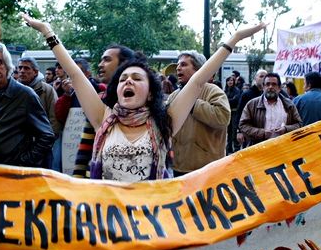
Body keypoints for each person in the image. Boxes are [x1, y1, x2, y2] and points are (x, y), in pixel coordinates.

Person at [22, 13, 264, 181]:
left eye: (137, 79)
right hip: (107, 220)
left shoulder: (164, 122)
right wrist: (47, 31)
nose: (128, 81)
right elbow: (75, 74)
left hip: (151, 222)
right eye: (124, 79)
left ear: (150, 93)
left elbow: (199, 79)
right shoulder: (102, 117)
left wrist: (234, 39)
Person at [0, 39, 55, 167]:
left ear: (7, 66)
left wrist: (25, 161)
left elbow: (46, 136)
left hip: (16, 175)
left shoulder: (25, 95)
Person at [72, 44, 138, 178]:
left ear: (124, 64)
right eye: (101, 60)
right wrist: (77, 181)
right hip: (96, 186)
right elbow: (86, 145)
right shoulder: (100, 100)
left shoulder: (146, 105)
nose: (101, 64)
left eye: (107, 60)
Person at [239, 73, 302, 146]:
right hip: (259, 148)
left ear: (279, 88)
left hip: (283, 147)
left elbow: (299, 125)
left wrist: (285, 129)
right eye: (267, 84)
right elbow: (243, 125)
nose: (270, 87)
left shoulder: (289, 105)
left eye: (274, 84)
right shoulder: (252, 104)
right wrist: (263, 133)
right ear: (263, 87)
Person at [236, 69, 267, 148]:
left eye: (265, 76)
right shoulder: (247, 94)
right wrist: (239, 131)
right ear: (255, 78)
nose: (263, 78)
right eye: (261, 76)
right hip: (249, 132)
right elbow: (240, 113)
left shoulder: (269, 94)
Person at [224, 76, 241, 155]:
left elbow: (235, 100)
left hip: (234, 113)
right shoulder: (225, 91)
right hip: (227, 112)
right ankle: (229, 148)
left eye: (231, 80)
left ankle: (236, 149)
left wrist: (227, 100)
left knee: (234, 131)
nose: (230, 82)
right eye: (228, 80)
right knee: (228, 131)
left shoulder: (237, 90)